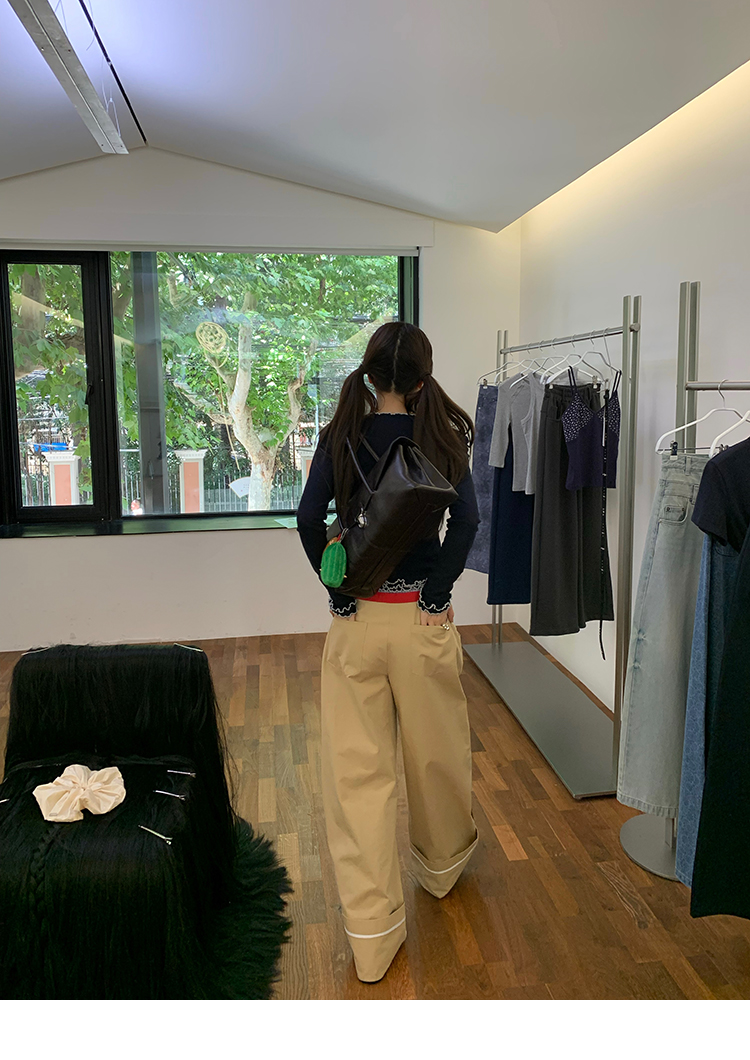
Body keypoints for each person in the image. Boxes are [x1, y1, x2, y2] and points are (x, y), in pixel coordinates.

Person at [297, 321, 480, 982]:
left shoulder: (341, 434)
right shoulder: (443, 436)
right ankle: (442, 872)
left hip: (357, 625)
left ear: (371, 376)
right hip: (421, 625)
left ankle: (373, 940)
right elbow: (468, 521)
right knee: (437, 756)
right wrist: (436, 593)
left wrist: (339, 591)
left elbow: (308, 519)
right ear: (423, 381)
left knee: (357, 778)